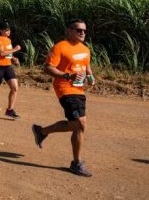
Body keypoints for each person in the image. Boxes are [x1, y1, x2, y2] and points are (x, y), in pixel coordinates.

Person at [32, 19, 95, 177]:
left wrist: (91, 77)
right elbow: (47, 67)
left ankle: (42, 131)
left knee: (76, 125)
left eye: (84, 30)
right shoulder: (60, 47)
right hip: (65, 88)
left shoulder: (85, 49)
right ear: (69, 30)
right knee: (80, 124)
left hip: (79, 89)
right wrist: (67, 75)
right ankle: (76, 163)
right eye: (78, 30)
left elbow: (86, 66)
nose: (82, 33)